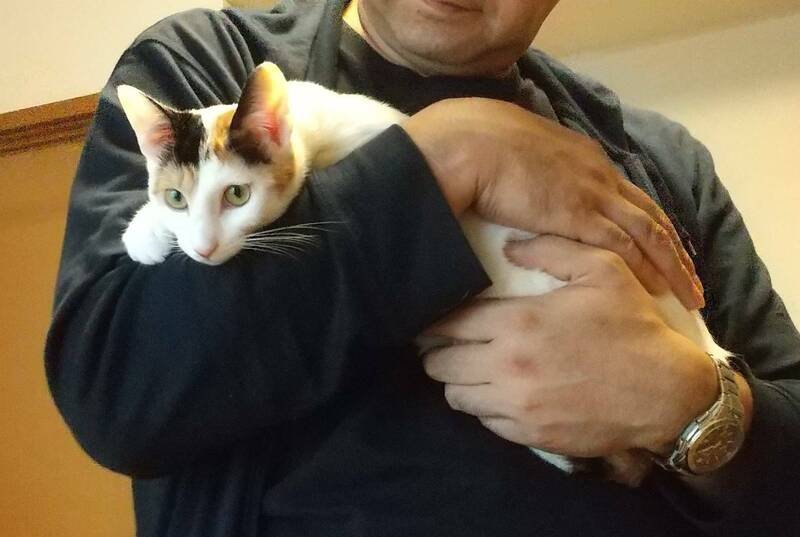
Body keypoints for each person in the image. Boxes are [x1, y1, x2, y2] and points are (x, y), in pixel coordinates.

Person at [45, 0, 799, 536]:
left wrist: (692, 405)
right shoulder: (207, 66)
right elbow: (117, 389)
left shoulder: (659, 163)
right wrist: (449, 157)